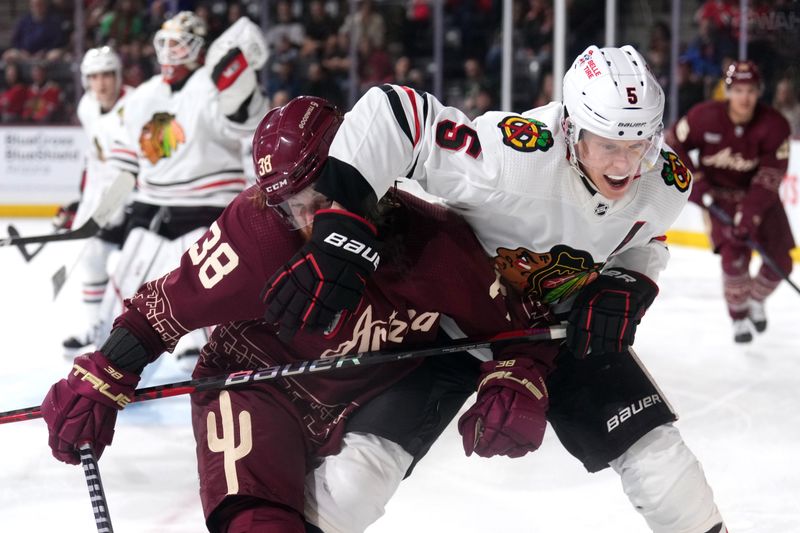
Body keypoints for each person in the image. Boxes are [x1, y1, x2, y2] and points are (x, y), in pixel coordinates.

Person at [268, 45, 729, 533]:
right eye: (608, 145)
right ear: (570, 130)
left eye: (638, 145)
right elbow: (395, 112)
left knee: (658, 457)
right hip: (449, 325)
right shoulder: (513, 157)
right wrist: (341, 229)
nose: (624, 166)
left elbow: (645, 233)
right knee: (359, 475)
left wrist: (629, 280)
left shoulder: (664, 181)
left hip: (552, 333)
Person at [40, 96, 554, 532]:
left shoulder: (435, 243)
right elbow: (160, 312)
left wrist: (518, 376)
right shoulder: (256, 231)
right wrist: (106, 371)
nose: (306, 219)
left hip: (375, 387)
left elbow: (513, 329)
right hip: (255, 381)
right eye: (290, 204)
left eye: (321, 195)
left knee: (352, 496)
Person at [90, 11, 267, 363]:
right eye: (165, 42)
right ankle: (111, 347)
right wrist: (104, 209)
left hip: (211, 205)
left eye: (178, 43)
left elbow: (248, 125)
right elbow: (125, 162)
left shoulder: (215, 86)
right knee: (127, 272)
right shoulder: (142, 96)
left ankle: (218, 349)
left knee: (209, 282)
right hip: (156, 204)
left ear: (197, 48)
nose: (169, 51)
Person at [667, 60, 794, 343]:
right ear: (726, 91)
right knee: (733, 261)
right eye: (738, 90)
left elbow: (770, 177)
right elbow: (673, 143)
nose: (744, 98)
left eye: (750, 90)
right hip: (719, 199)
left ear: (759, 91)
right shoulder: (704, 117)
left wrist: (750, 214)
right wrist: (695, 182)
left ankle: (756, 301)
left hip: (763, 201)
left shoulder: (775, 126)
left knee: (781, 263)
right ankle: (738, 318)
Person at [60, 46, 139, 356]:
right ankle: (95, 328)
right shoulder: (87, 107)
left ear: (118, 75)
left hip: (141, 200)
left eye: (107, 74)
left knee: (133, 271)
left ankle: (183, 340)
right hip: (105, 200)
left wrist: (119, 204)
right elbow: (95, 160)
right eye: (94, 77)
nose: (102, 83)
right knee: (92, 257)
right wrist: (83, 202)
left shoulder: (136, 105)